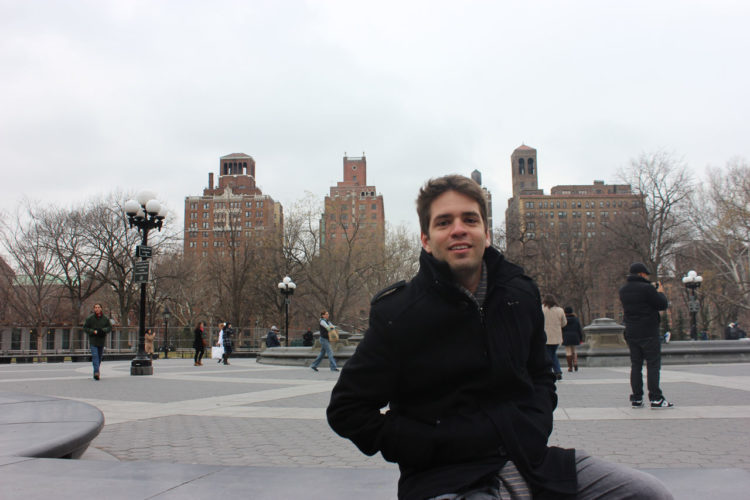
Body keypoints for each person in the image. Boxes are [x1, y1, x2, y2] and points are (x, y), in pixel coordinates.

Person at [327, 175, 672, 500]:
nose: (459, 229)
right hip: (445, 475)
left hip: (529, 459)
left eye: (470, 220)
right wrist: (429, 443)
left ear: (486, 234)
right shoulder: (398, 314)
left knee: (649, 493)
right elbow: (347, 410)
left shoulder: (519, 294)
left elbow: (541, 374)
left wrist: (532, 426)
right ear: (426, 240)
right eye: (444, 222)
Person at [619, 262, 672, 409]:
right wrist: (660, 292)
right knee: (653, 364)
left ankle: (636, 398)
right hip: (648, 331)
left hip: (631, 331)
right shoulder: (647, 288)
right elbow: (661, 304)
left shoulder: (623, 290)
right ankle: (656, 398)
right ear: (641, 274)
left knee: (636, 365)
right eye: (646, 274)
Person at [82, 303, 111, 381]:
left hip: (101, 340)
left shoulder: (105, 319)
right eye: (96, 307)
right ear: (94, 309)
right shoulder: (90, 318)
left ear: (101, 308)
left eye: (98, 307)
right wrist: (93, 331)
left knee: (99, 357)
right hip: (93, 340)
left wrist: (103, 330)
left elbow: (109, 327)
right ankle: (96, 372)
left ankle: (97, 369)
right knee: (95, 356)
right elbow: (85, 328)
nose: (97, 309)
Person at [542, 294, 566, 380]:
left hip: (545, 336)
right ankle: (557, 371)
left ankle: (552, 371)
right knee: (552, 353)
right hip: (557, 336)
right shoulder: (560, 310)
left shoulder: (541, 309)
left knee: (548, 354)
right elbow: (564, 323)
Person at [562, 306, 583, 372]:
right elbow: (579, 329)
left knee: (568, 351)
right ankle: (576, 364)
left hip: (566, 336)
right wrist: (580, 338)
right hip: (575, 336)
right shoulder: (576, 319)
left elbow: (561, 328)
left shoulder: (564, 319)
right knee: (574, 351)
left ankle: (570, 367)